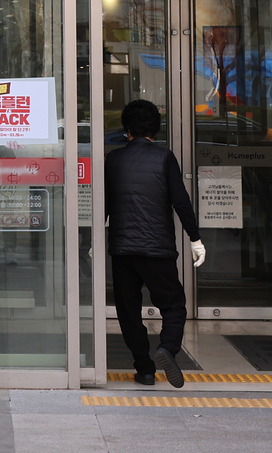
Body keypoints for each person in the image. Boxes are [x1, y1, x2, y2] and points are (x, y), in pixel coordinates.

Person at [105, 99, 205, 388]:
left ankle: (144, 368)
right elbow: (181, 203)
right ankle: (167, 349)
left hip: (122, 248)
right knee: (173, 305)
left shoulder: (114, 159)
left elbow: (106, 204)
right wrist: (195, 238)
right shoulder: (164, 158)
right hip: (157, 248)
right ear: (156, 131)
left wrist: (93, 240)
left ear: (127, 130)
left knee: (128, 309)